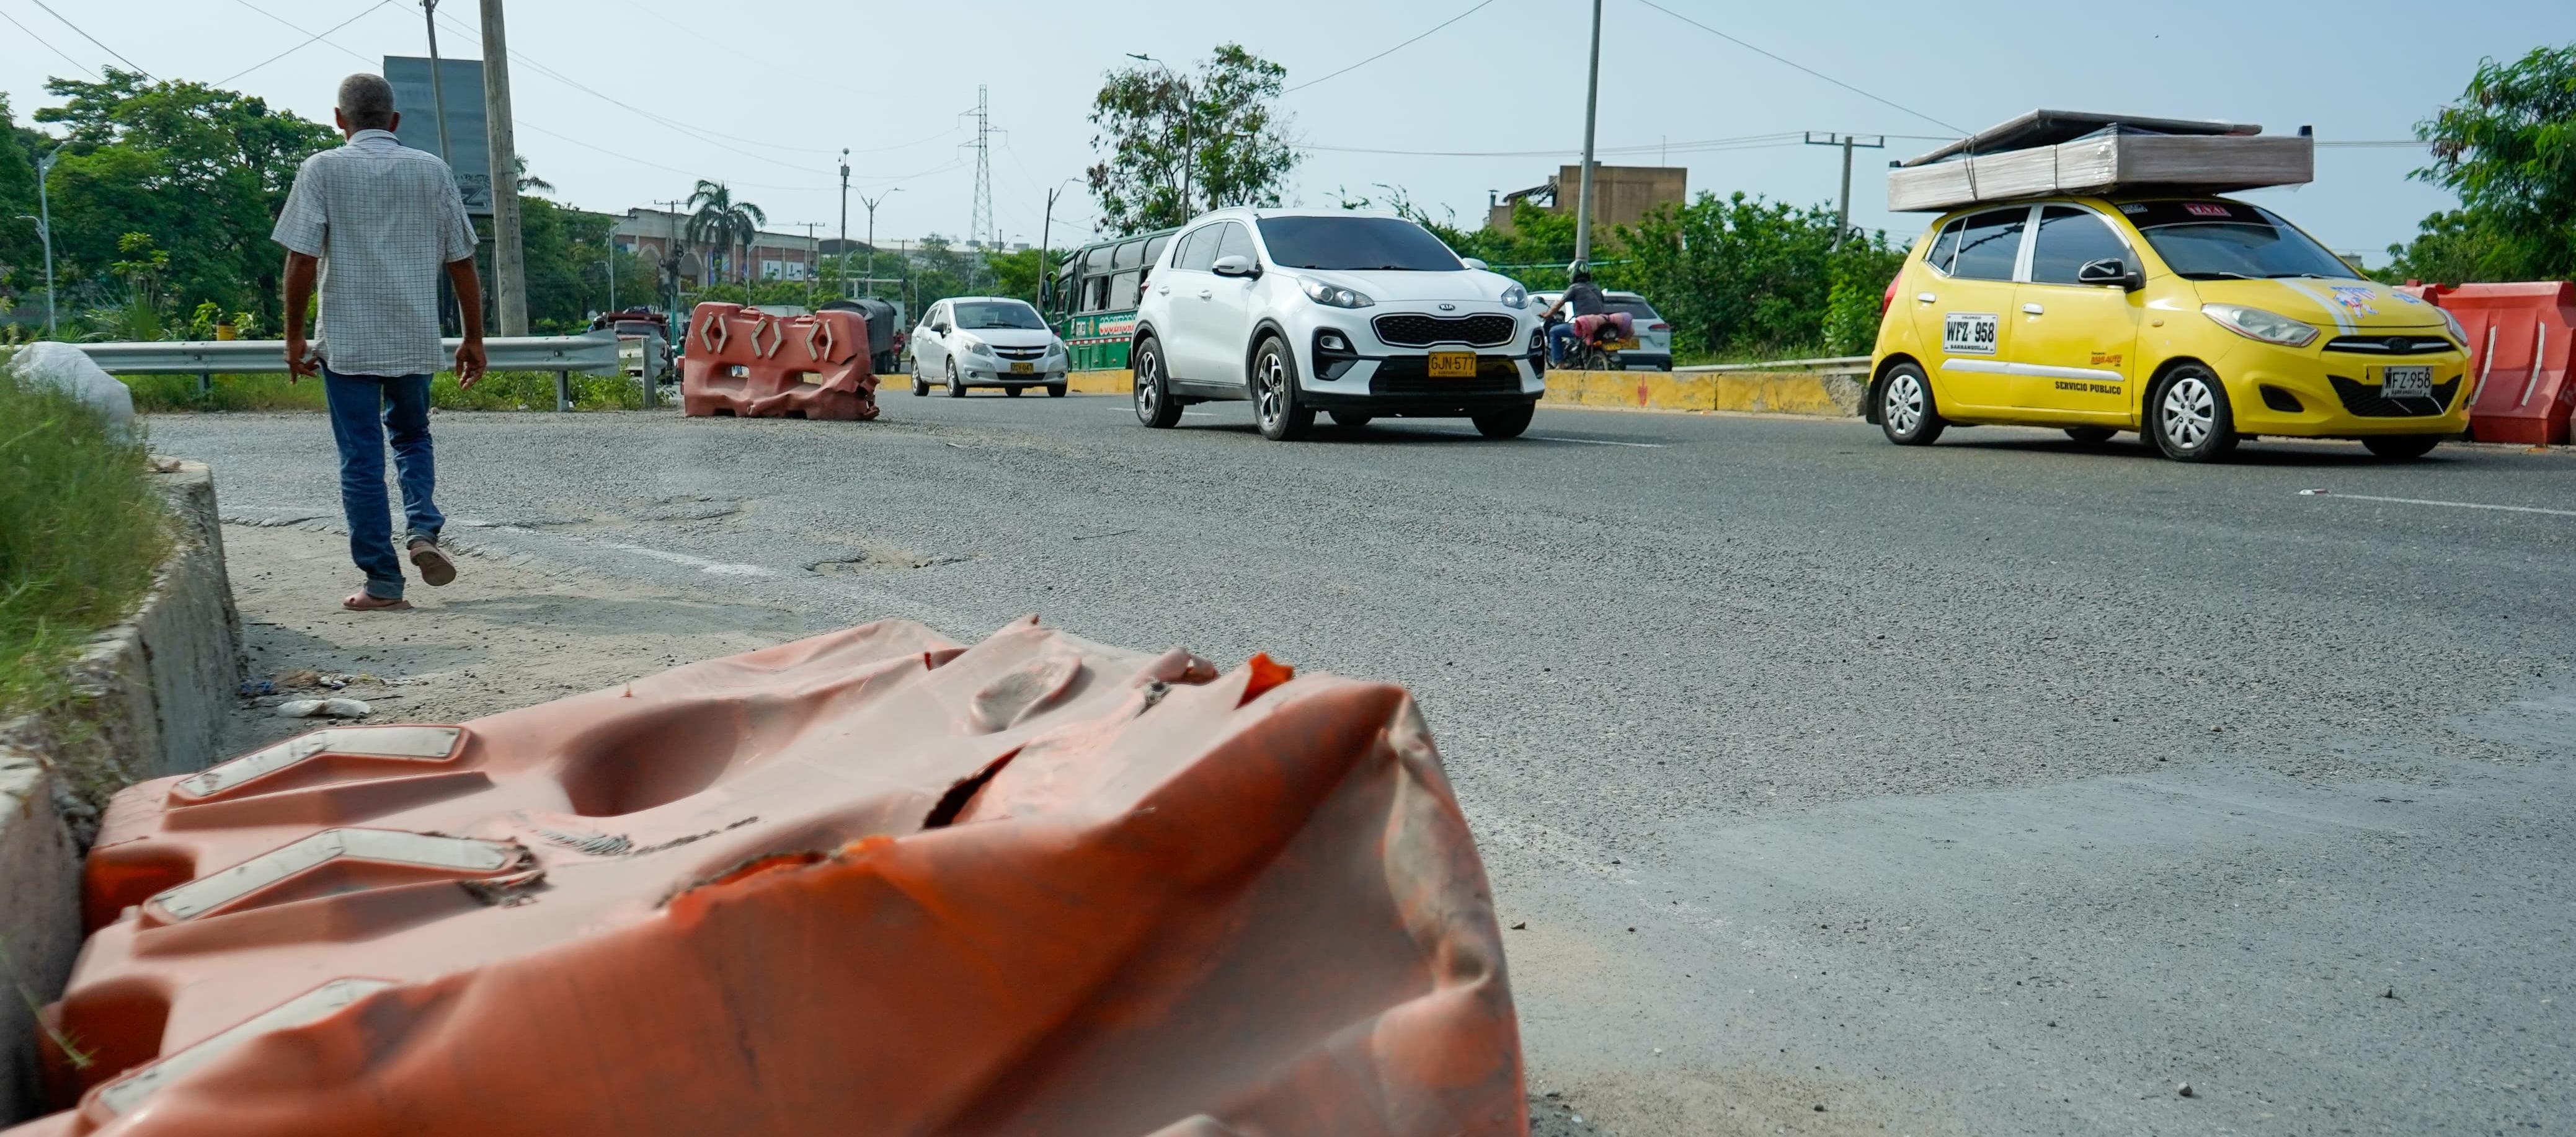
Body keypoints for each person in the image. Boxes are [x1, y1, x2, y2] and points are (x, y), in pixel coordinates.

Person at [273, 73, 486, 612]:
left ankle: (384, 584)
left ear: (340, 120)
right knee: (413, 437)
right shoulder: (431, 171)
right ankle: (422, 532)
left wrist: (294, 335)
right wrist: (473, 339)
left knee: (361, 458)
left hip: (347, 344)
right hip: (413, 338)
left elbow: (299, 259)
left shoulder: (321, 169)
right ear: (394, 122)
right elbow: (462, 262)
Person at [1539, 262, 1608, 365]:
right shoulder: (1596, 287)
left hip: (1584, 325)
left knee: (1554, 331)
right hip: (1599, 324)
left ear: (1572, 274)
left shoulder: (1574, 288)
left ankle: (1559, 363)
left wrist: (1547, 315)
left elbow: (1559, 304)